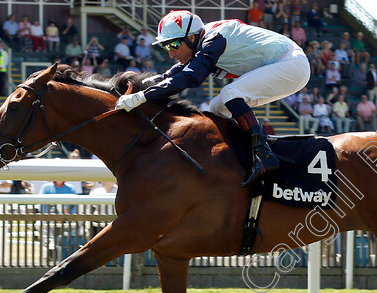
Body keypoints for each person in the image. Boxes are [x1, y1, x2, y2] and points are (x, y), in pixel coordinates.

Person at [115, 11, 310, 185]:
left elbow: (191, 78)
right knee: (216, 107)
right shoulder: (200, 42)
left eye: (173, 44)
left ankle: (264, 154)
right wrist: (137, 90)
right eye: (166, 47)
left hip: (291, 63)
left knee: (230, 94)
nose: (171, 53)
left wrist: (142, 97)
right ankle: (240, 156)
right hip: (285, 66)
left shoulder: (213, 39)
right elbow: (169, 76)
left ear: (191, 37)